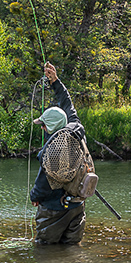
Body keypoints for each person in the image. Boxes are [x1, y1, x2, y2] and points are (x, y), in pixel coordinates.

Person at [30, 62, 87, 244]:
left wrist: (35, 197)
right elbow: (67, 104)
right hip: (77, 206)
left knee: (45, 251)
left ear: (50, 127)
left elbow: (43, 183)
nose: (43, 128)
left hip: (55, 209)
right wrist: (55, 81)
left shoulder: (51, 151)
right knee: (72, 250)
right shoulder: (76, 129)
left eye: (44, 125)